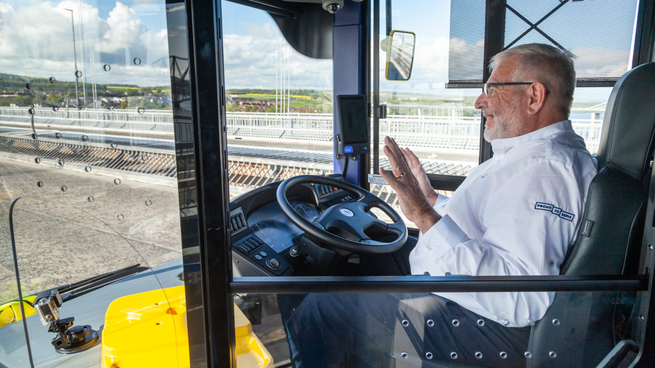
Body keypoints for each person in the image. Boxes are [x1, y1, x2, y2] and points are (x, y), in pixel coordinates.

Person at [284, 43, 598, 367]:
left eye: (492, 90)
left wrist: (424, 215)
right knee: (358, 260)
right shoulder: (524, 158)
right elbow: (484, 224)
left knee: (325, 305)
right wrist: (431, 199)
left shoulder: (545, 171)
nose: (480, 102)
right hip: (454, 289)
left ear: (534, 97)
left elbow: (517, 297)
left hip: (480, 326)